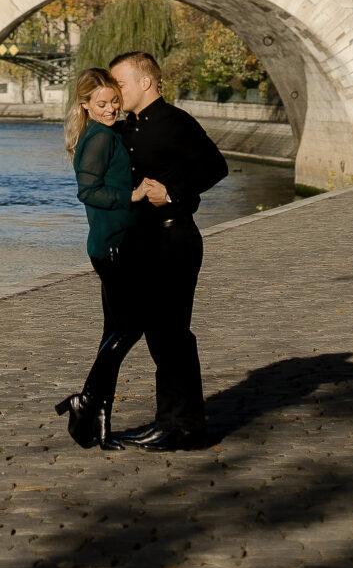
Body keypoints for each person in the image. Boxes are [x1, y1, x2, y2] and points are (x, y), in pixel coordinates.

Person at [108, 49, 230, 448]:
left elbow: (216, 166)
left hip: (174, 237)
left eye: (120, 83)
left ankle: (187, 426)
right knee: (158, 335)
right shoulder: (128, 127)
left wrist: (174, 192)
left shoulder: (175, 122)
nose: (115, 90)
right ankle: (168, 420)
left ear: (145, 82)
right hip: (142, 242)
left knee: (172, 332)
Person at [53, 67, 151, 450]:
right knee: (130, 328)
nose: (111, 109)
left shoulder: (109, 132)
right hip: (113, 246)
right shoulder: (97, 139)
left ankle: (98, 426)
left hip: (114, 243)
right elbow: (88, 191)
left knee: (114, 332)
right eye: (102, 104)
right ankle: (87, 400)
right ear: (85, 105)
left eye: (114, 101)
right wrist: (131, 197)